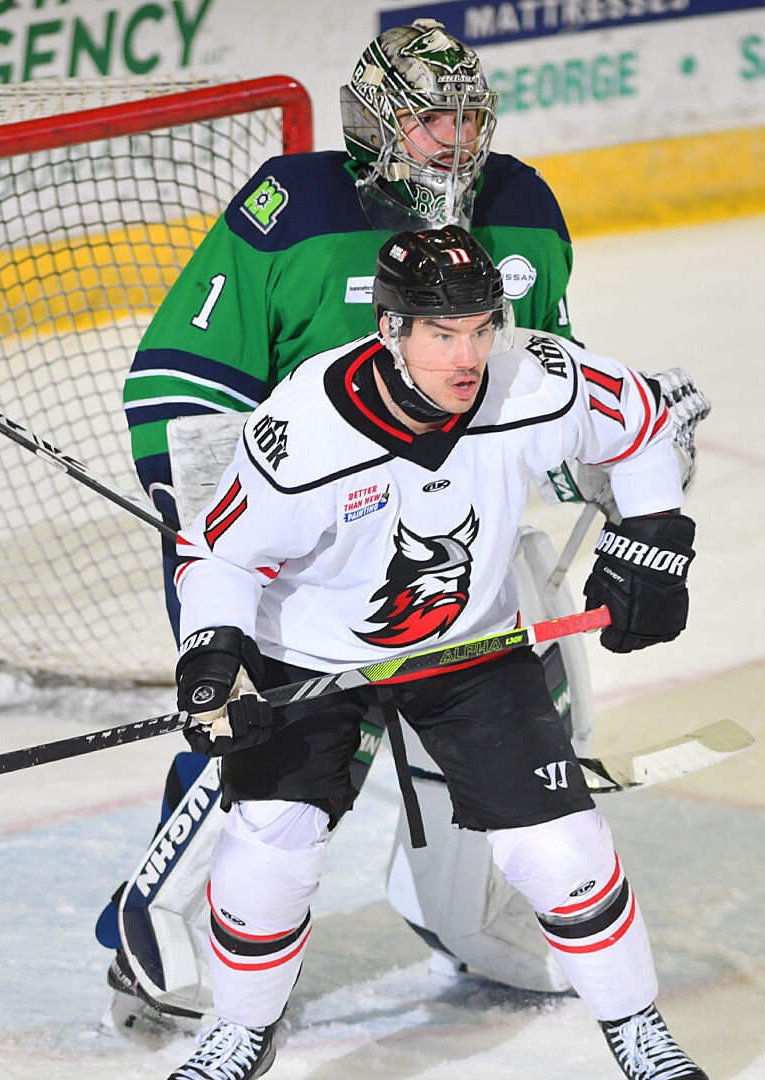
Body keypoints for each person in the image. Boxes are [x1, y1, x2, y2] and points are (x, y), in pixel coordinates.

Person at [101, 18, 598, 1027]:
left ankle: (467, 911)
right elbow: (179, 379)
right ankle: (156, 928)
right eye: (429, 119)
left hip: (452, 528)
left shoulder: (526, 208)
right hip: (301, 543)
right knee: (263, 732)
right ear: (376, 124)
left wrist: (621, 491)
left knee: (528, 705)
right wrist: (222, 561)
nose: (454, 138)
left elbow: (555, 379)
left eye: (468, 116)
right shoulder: (294, 209)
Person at [162, 225, 706, 1080]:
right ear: (389, 330)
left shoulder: (536, 378)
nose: (468, 356)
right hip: (306, 656)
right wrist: (212, 657)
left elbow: (641, 422)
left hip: (467, 643)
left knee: (561, 849)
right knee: (270, 847)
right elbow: (221, 554)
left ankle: (640, 1032)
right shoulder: (304, 431)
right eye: (442, 334)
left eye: (483, 328)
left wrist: (657, 538)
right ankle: (239, 1031)